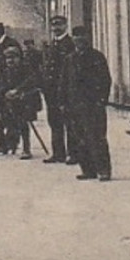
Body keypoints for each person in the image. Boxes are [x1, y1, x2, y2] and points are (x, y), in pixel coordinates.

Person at [67, 25, 113, 181]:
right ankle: (87, 170)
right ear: (73, 39)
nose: (79, 40)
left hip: (93, 105)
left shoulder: (97, 57)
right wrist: (63, 102)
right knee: (79, 138)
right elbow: (64, 83)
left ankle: (103, 170)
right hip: (75, 105)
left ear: (88, 39)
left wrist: (102, 100)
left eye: (82, 36)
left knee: (97, 137)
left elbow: (105, 80)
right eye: (76, 36)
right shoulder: (70, 59)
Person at [0, 44, 42, 159]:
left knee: (22, 124)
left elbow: (33, 82)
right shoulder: (6, 72)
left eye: (13, 58)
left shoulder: (26, 69)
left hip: (25, 104)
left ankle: (26, 149)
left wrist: (18, 91)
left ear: (19, 58)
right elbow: (2, 89)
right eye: (7, 58)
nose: (10, 61)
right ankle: (4, 145)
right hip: (9, 106)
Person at [40, 16, 75, 164]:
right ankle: (58, 153)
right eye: (53, 26)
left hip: (65, 90)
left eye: (59, 26)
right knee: (54, 121)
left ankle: (73, 154)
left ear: (66, 26)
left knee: (69, 122)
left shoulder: (70, 44)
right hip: (51, 90)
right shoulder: (51, 45)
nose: (55, 29)